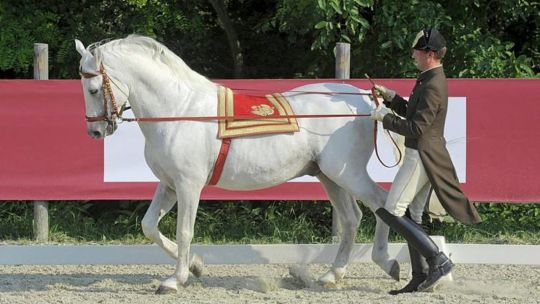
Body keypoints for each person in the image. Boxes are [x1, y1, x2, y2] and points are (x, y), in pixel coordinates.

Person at [370, 28, 482, 294]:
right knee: (413, 214)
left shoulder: (432, 84)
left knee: (392, 211)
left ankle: (437, 260)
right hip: (424, 153)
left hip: (419, 154)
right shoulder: (429, 78)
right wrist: (392, 98)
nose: (413, 55)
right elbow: (414, 113)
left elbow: (417, 128)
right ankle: (420, 276)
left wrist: (383, 117)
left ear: (430, 54)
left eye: (417, 51)